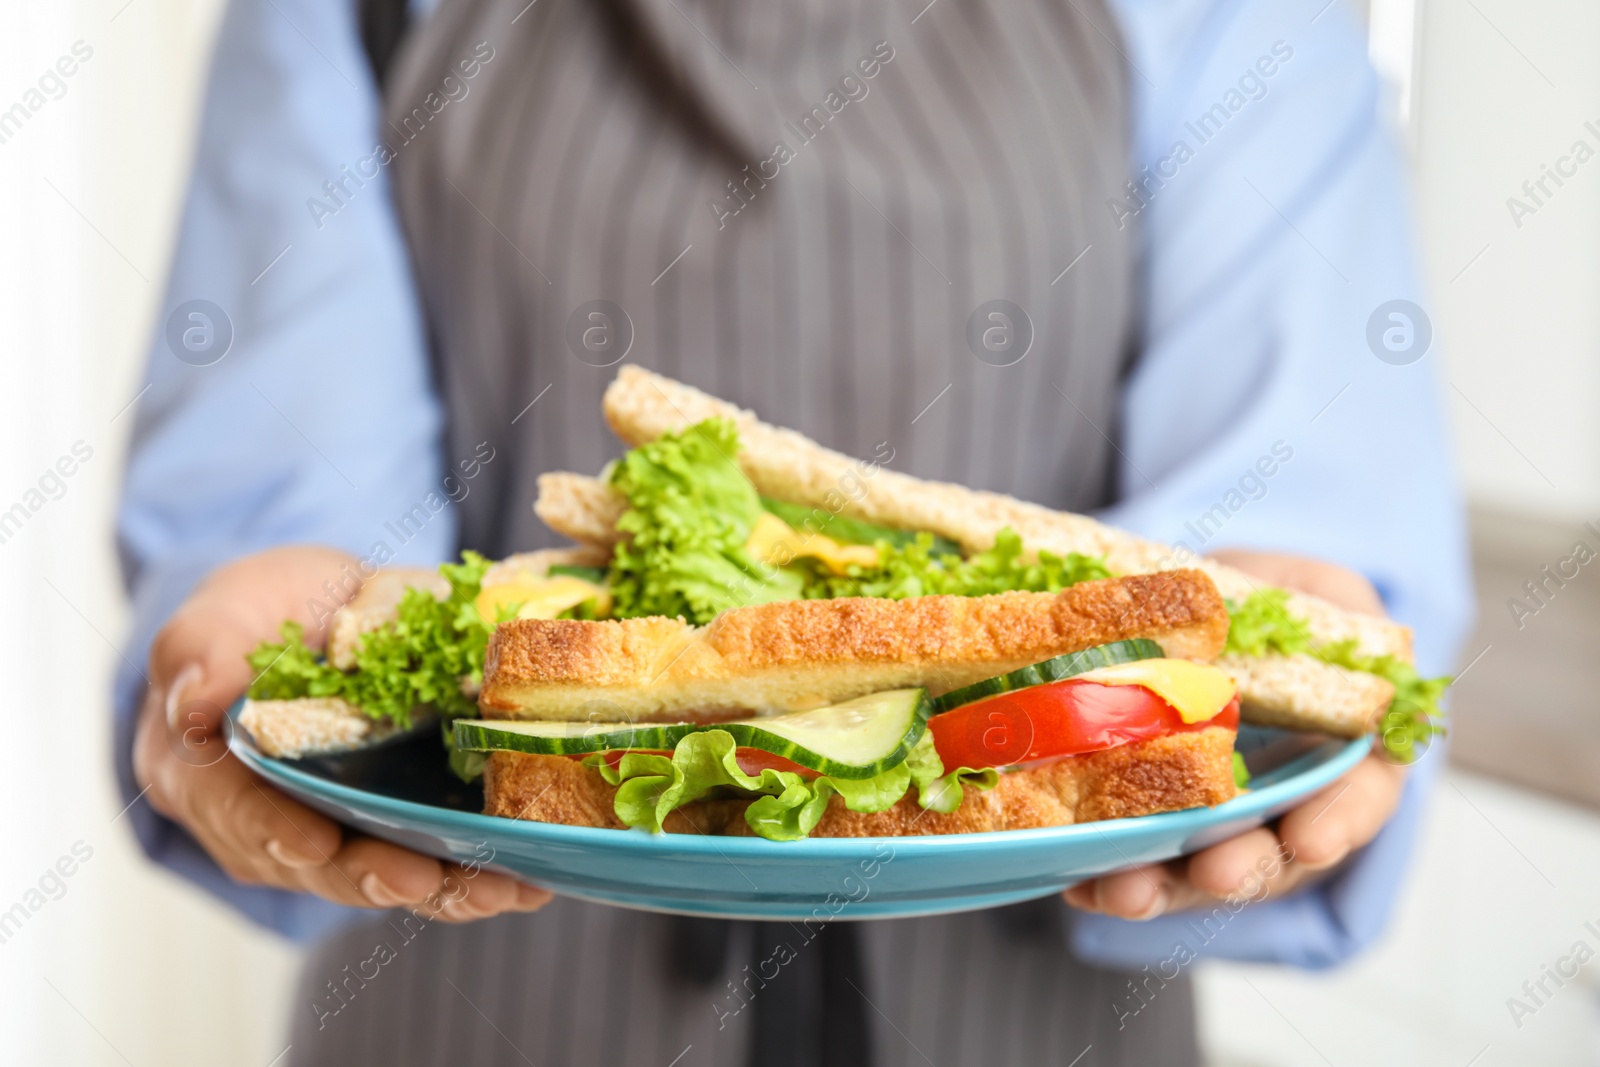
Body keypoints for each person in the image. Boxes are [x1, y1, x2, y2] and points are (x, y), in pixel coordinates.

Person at [116, 0, 1471, 1063]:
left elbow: (1303, 466)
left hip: (1043, 1019)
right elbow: (284, 496)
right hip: (470, 994)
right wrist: (279, 616)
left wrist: (1263, 609)